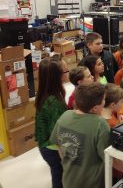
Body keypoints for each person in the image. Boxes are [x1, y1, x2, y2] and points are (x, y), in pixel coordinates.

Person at [50, 82, 110, 188]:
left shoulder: (65, 115)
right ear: (95, 108)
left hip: (68, 179)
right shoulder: (100, 124)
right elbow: (108, 158)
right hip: (92, 183)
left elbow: (58, 146)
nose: (105, 102)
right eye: (104, 100)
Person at [35, 57, 69, 188]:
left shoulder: (46, 94)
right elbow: (57, 133)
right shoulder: (53, 102)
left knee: (57, 173)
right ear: (57, 76)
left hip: (46, 145)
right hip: (52, 148)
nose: (67, 73)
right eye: (65, 71)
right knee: (59, 177)